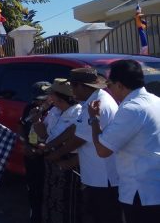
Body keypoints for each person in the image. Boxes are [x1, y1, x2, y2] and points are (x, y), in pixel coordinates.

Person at [44, 68, 122, 223]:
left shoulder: (96, 105)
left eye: (73, 86)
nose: (71, 90)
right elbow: (77, 131)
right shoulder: (93, 101)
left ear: (82, 86)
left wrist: (54, 155)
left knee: (105, 216)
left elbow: (79, 139)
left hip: (102, 177)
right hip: (98, 174)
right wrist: (51, 147)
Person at [87, 59, 160, 223]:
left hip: (141, 192)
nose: (108, 88)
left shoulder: (131, 109)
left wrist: (94, 119)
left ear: (120, 85)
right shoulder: (155, 100)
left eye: (109, 83)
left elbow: (103, 150)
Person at [32, 78, 82, 223]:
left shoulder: (77, 114)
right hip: (52, 164)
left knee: (68, 206)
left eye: (51, 94)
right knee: (51, 204)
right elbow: (43, 135)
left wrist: (51, 149)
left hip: (68, 165)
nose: (49, 98)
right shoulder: (54, 111)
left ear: (60, 97)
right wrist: (37, 120)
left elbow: (75, 141)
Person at [18, 81, 51, 223]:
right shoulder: (29, 109)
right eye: (36, 99)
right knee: (33, 189)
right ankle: (34, 215)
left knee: (46, 190)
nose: (38, 103)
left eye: (42, 99)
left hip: (45, 155)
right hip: (31, 155)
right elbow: (21, 126)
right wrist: (25, 145)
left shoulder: (53, 112)